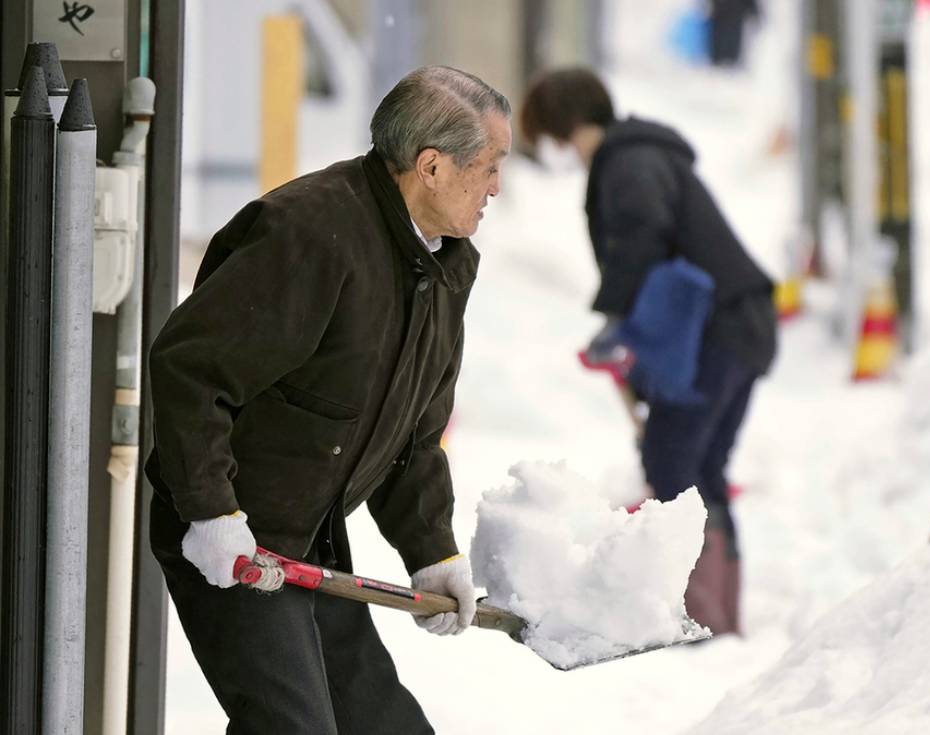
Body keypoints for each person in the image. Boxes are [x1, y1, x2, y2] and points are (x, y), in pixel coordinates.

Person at [145, 66, 509, 734]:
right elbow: (191, 369)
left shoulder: (444, 262)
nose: (497, 187)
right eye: (487, 167)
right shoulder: (309, 233)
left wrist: (432, 550)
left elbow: (414, 435)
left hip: (310, 530)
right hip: (235, 533)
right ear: (430, 166)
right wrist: (211, 511)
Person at [519, 68, 777, 635]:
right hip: (738, 324)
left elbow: (640, 232)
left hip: (719, 329)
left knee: (674, 463)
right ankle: (716, 616)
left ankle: (702, 616)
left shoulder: (628, 161)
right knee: (697, 466)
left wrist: (615, 318)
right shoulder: (638, 155)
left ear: (563, 125)